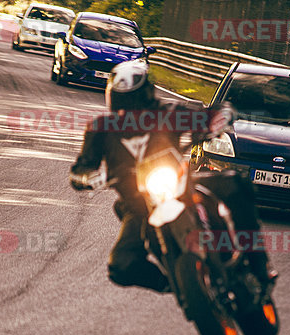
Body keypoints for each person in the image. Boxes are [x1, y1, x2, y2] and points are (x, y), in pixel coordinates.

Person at [69, 60, 274, 293]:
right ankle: (174, 285)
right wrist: (88, 178)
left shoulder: (167, 114)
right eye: (122, 101)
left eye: (134, 101)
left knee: (234, 184)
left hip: (180, 186)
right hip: (138, 206)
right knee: (120, 265)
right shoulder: (101, 129)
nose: (130, 110)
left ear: (146, 95)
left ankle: (259, 264)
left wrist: (219, 117)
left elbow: (208, 116)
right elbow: (80, 170)